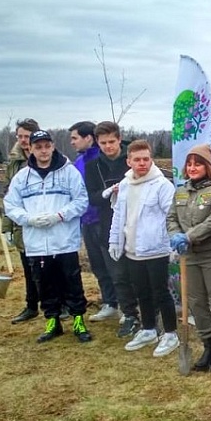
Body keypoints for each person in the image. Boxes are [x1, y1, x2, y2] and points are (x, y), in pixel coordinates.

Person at [3, 130, 92, 343]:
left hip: (65, 240)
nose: (43, 151)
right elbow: (11, 205)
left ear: (52, 147)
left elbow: (81, 201)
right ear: (31, 149)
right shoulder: (22, 177)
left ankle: (78, 320)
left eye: (47, 146)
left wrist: (60, 216)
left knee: (72, 282)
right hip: (37, 242)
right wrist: (28, 219)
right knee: (45, 284)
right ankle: (52, 322)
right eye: (38, 147)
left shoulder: (69, 172)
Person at [167, 143, 211, 371]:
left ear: (207, 166)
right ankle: (208, 344)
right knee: (196, 301)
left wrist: (189, 236)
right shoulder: (181, 191)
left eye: (198, 163)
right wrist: (175, 236)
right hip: (189, 256)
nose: (192, 167)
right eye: (189, 164)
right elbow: (171, 218)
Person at [108, 140, 179, 357]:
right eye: (137, 159)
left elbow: (171, 216)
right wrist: (114, 241)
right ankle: (149, 329)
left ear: (151, 160)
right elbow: (119, 215)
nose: (142, 163)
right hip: (133, 250)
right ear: (129, 161)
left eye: (146, 159)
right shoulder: (125, 184)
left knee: (161, 292)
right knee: (142, 292)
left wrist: (173, 243)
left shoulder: (162, 185)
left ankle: (170, 333)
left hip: (156, 249)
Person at [86, 121, 139, 337]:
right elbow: (92, 197)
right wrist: (107, 193)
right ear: (97, 143)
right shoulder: (93, 166)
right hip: (108, 225)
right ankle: (127, 313)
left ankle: (146, 311)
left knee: (138, 272)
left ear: (119, 139)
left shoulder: (133, 160)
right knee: (117, 274)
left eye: (111, 142)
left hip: (135, 223)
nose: (108, 146)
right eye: (103, 143)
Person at [70, 121, 120, 323]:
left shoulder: (100, 160)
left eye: (75, 138)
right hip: (87, 219)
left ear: (88, 138)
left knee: (113, 264)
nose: (72, 142)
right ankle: (109, 302)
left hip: (104, 218)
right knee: (98, 265)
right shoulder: (80, 162)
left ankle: (124, 304)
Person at [5, 118, 44, 324]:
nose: (22, 140)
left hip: (43, 220)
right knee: (28, 268)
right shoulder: (14, 162)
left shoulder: (46, 158)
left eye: (26, 136)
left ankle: (60, 303)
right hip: (22, 221)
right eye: (19, 136)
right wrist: (7, 226)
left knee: (48, 267)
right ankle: (31, 305)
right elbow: (8, 194)